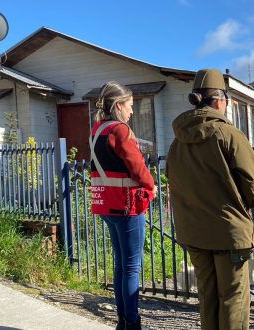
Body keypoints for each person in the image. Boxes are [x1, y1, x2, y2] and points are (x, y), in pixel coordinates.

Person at [167, 69, 254, 330]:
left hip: (195, 233)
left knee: (207, 298)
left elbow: (174, 183)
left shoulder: (177, 142)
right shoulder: (229, 135)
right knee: (233, 299)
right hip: (229, 233)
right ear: (220, 100)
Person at [89, 81, 156, 330]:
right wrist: (151, 186)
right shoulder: (121, 130)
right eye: (129, 106)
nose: (131, 111)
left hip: (106, 204)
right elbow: (137, 167)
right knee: (131, 268)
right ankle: (133, 323)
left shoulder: (97, 129)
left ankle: (123, 322)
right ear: (118, 106)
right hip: (127, 206)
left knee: (120, 266)